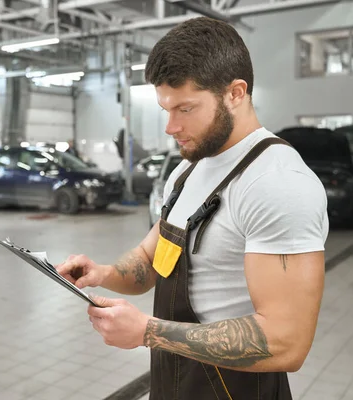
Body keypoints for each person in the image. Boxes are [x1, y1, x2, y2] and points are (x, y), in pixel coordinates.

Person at [55, 16, 329, 400]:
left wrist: (148, 331)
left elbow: (287, 342)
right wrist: (100, 274)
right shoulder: (188, 169)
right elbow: (152, 260)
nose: (170, 126)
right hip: (176, 380)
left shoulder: (277, 183)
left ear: (236, 93)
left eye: (185, 109)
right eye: (166, 109)